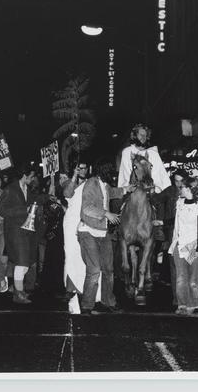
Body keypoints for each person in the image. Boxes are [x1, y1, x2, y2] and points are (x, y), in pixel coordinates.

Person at [78, 159, 135, 314]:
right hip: (88, 231)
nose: (113, 175)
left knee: (108, 270)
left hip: (103, 233)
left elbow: (113, 192)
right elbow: (87, 208)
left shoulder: (105, 185)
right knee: (95, 269)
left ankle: (108, 301)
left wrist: (127, 189)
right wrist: (106, 213)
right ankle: (87, 305)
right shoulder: (91, 184)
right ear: (103, 172)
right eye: (111, 172)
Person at [168, 177, 198, 315]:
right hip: (179, 244)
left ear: (188, 189)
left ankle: (193, 303)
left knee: (193, 279)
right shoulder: (179, 203)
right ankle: (182, 303)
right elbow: (175, 223)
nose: (179, 189)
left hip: (193, 245)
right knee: (181, 277)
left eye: (182, 187)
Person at [0, 163, 38, 304]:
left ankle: (18, 289)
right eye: (31, 176)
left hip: (26, 231)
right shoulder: (10, 189)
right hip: (14, 230)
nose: (32, 179)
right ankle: (18, 294)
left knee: (25, 262)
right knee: (22, 262)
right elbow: (0, 209)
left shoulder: (28, 189)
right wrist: (22, 210)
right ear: (24, 175)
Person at [154, 169, 188, 307]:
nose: (179, 183)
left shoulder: (190, 192)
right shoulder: (169, 191)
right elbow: (156, 199)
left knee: (188, 266)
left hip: (187, 232)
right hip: (172, 232)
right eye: (176, 180)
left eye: (181, 180)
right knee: (174, 266)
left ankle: (188, 298)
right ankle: (177, 298)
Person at [118, 123, 171, 193]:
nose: (143, 137)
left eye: (145, 135)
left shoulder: (153, 153)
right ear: (134, 135)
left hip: (153, 190)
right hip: (132, 190)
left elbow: (162, 174)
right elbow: (124, 174)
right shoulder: (127, 152)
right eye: (141, 135)